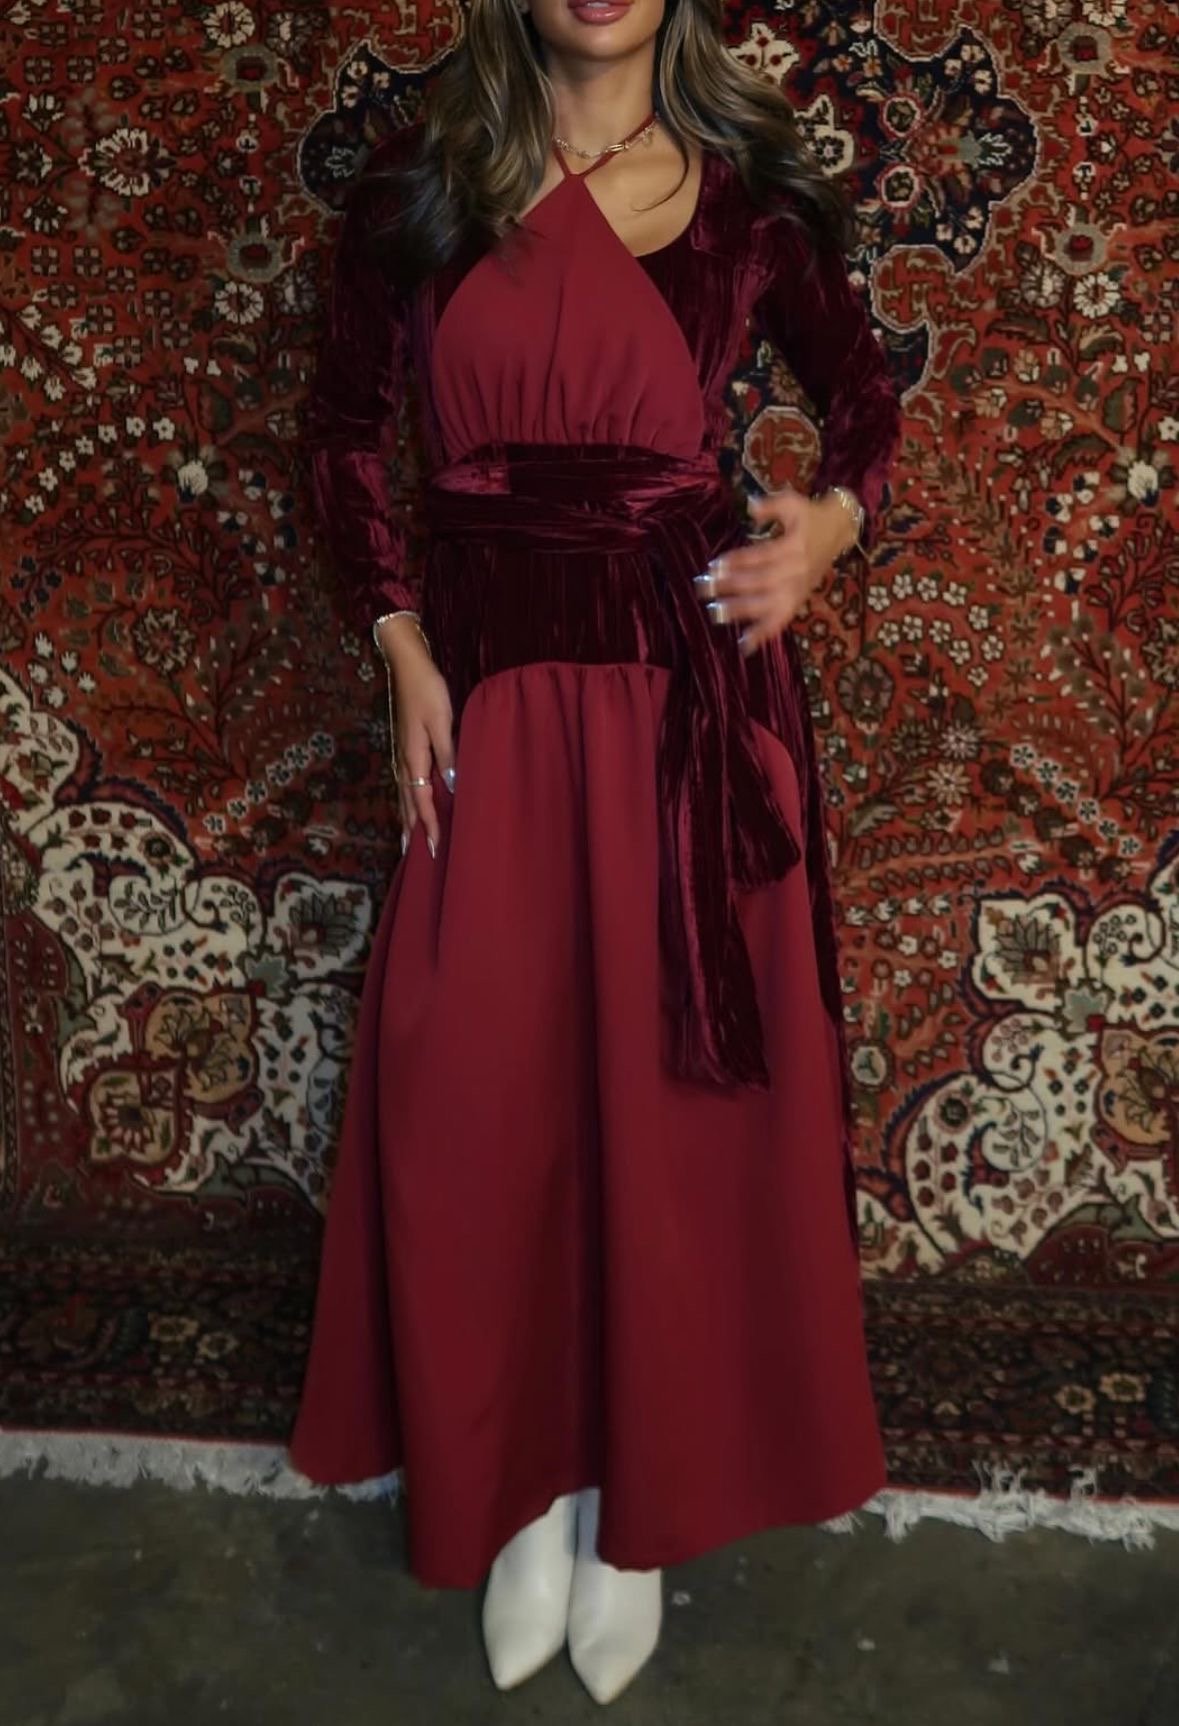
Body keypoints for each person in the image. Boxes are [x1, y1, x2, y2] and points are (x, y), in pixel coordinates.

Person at [288, 0, 901, 1704]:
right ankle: (524, 1493)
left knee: (662, 1103)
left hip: (683, 704)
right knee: (488, 1092)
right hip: (493, 694)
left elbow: (863, 398)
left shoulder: (743, 192)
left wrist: (826, 532)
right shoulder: (421, 180)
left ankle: (636, 1509)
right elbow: (340, 434)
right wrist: (398, 640)